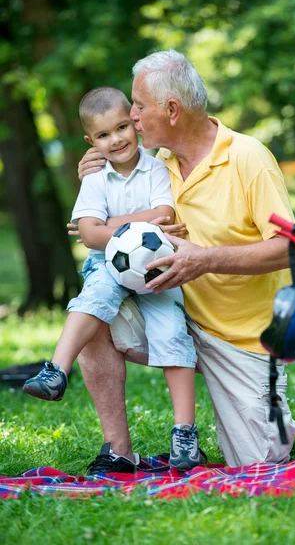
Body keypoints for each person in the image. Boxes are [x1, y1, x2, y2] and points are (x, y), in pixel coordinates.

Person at [73, 50, 295, 472]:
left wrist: (206, 260)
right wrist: (93, 181)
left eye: (139, 106)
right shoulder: (157, 166)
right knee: (91, 310)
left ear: (171, 110)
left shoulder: (248, 157)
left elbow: (290, 248)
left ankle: (265, 414)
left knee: (263, 462)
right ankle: (118, 450)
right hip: (171, 315)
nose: (133, 116)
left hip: (243, 342)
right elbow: (110, 209)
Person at [23, 86, 201, 471]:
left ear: (135, 123)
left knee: (173, 332)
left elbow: (165, 216)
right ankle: (56, 370)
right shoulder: (95, 178)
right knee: (95, 295)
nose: (116, 139)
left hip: (157, 269)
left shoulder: (156, 168)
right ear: (91, 141)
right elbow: (89, 235)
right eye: (104, 135)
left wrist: (110, 225)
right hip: (107, 266)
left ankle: (185, 433)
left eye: (122, 127)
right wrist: (140, 220)